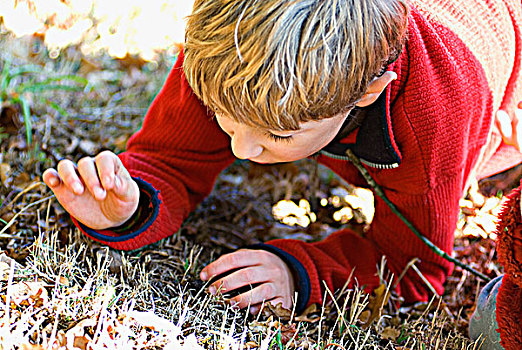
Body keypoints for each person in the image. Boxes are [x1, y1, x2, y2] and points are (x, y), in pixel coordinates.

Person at [42, 0, 522, 348]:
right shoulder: (231, 54)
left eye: (277, 135)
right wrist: (130, 203)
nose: (241, 148)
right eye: (224, 118)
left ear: (371, 91)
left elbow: (414, 266)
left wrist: (303, 274)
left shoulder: (435, 118)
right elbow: (168, 158)